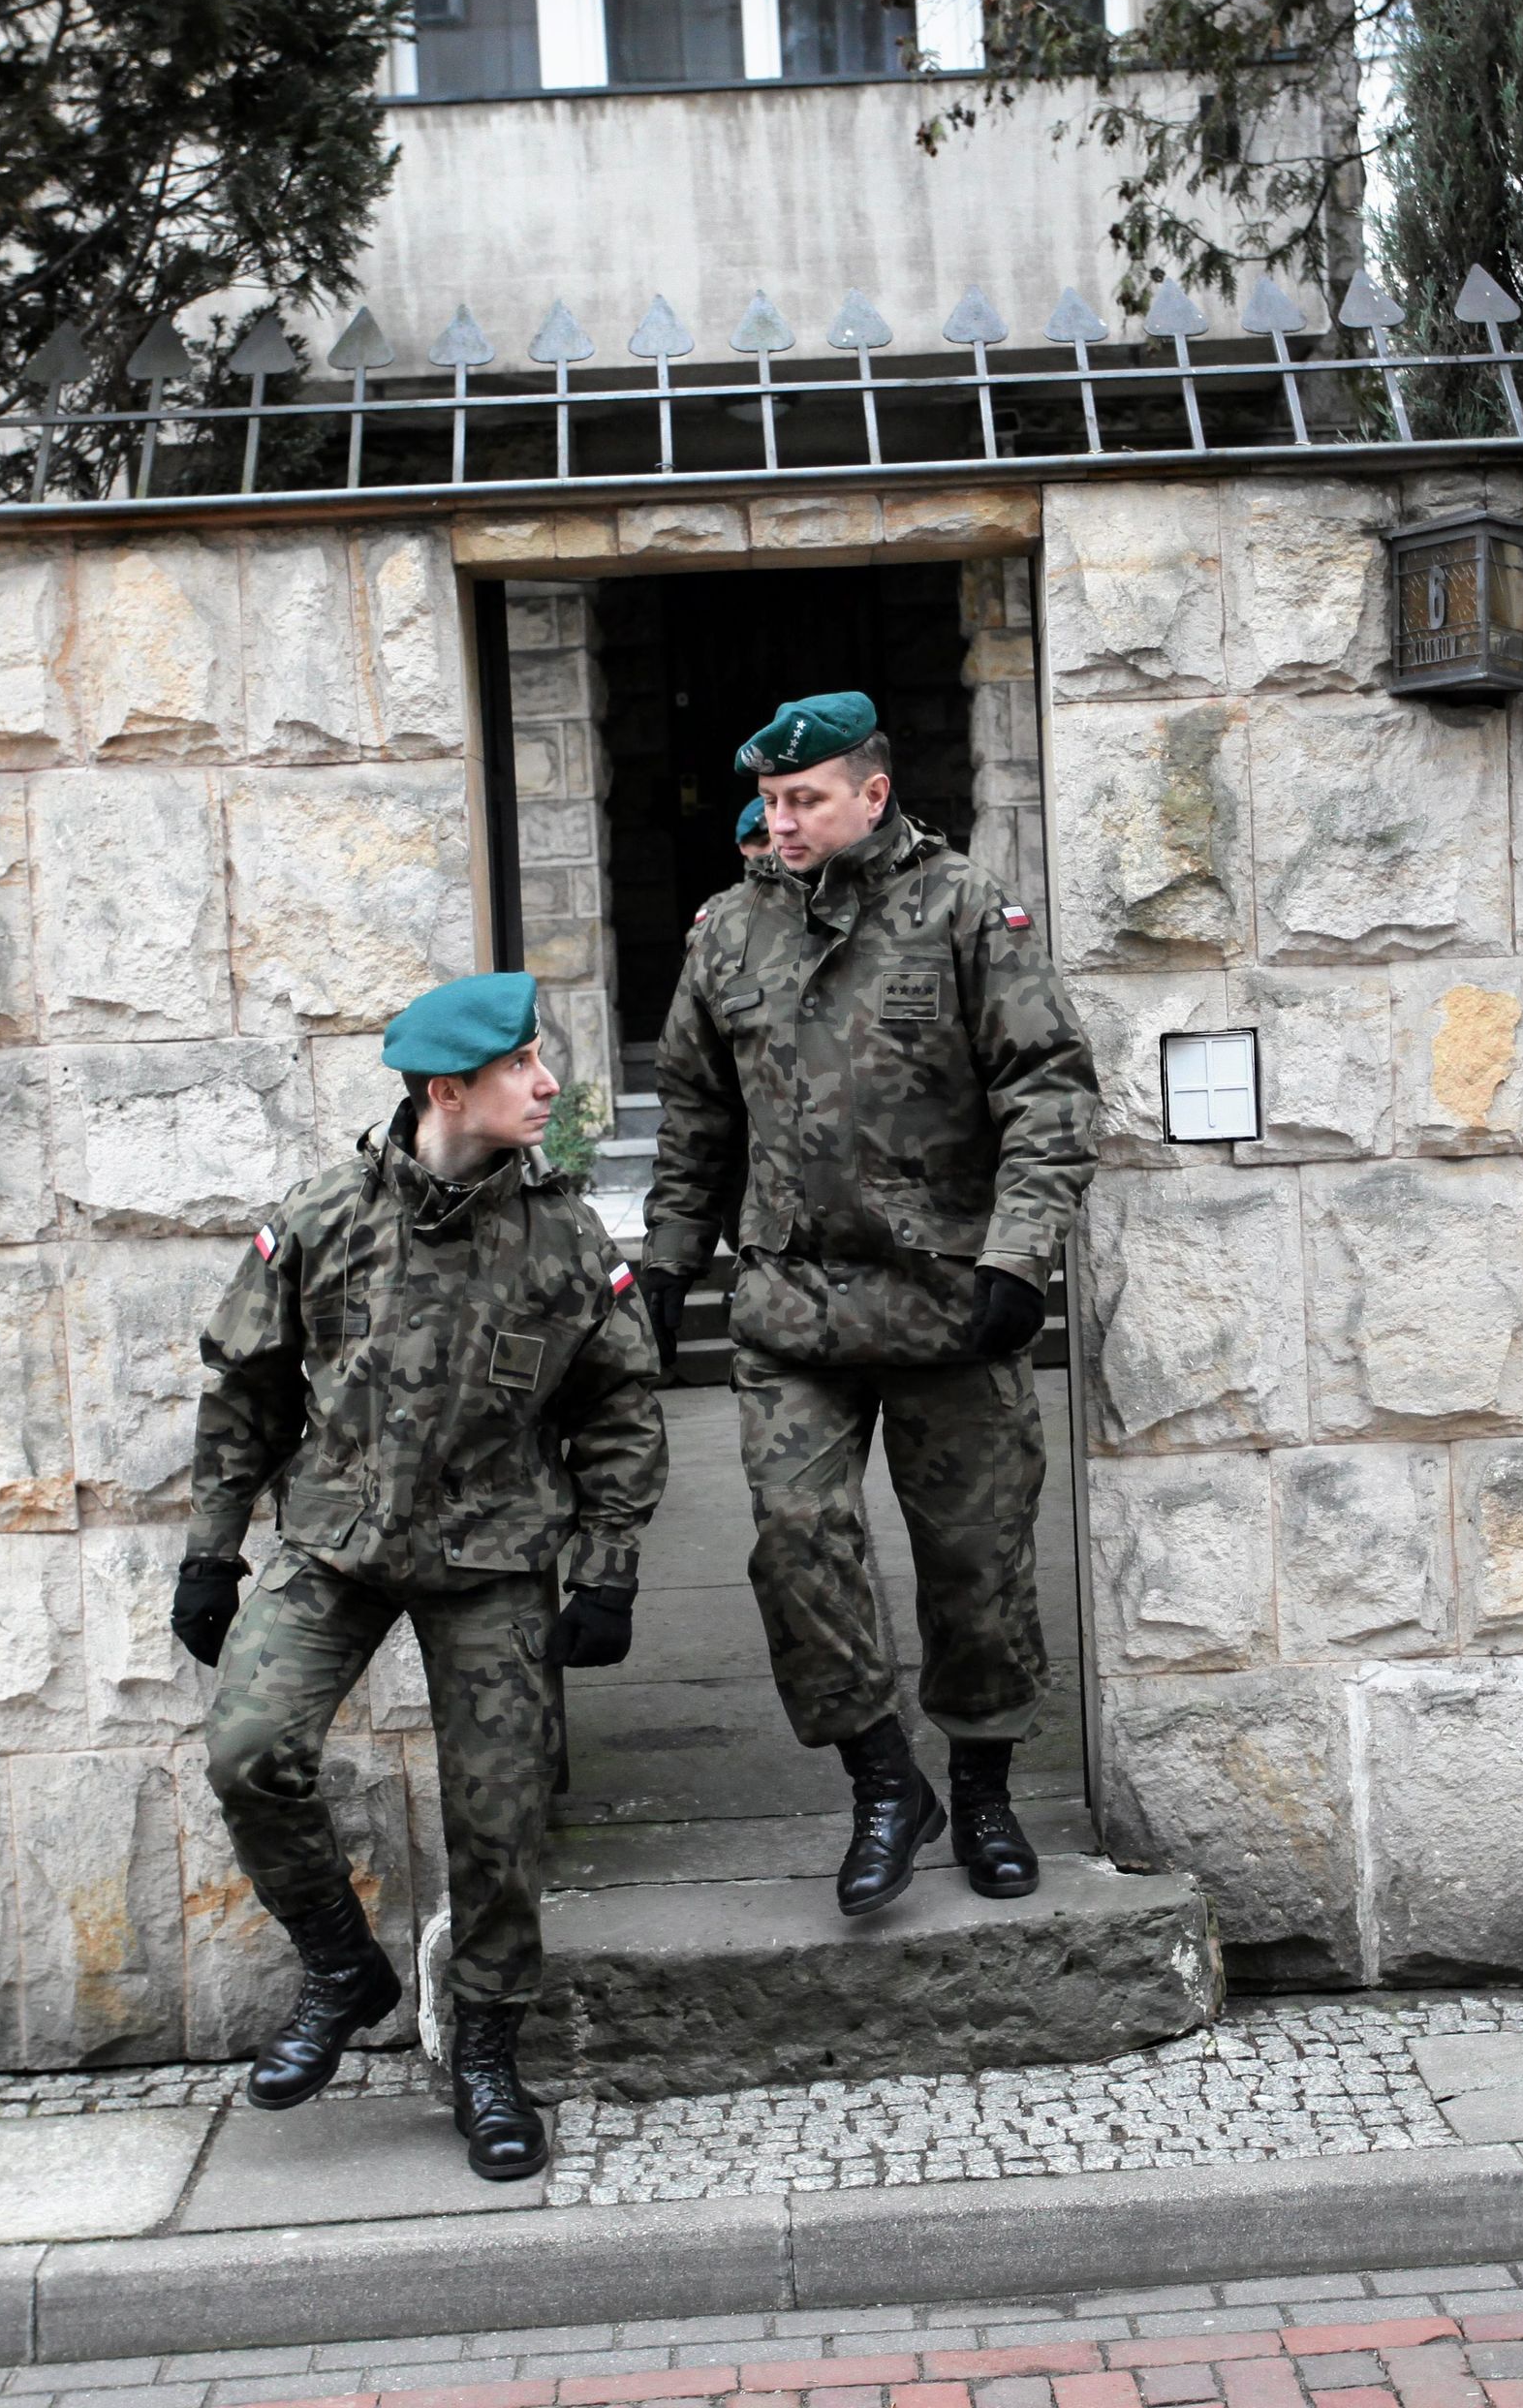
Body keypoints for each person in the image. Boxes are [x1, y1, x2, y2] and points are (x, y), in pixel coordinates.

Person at [172, 971, 665, 2181]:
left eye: (539, 1061)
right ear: (449, 1090)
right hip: (337, 1543)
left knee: (499, 1816)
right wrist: (211, 1550)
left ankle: (488, 2052)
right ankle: (342, 1966)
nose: (548, 1084)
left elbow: (621, 1409)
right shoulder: (324, 1215)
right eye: (521, 1067)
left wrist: (607, 1569)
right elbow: (245, 1391)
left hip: (494, 1552)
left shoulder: (563, 1235)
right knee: (248, 1749)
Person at [637, 691, 1098, 1917]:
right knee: (797, 1542)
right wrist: (671, 1258)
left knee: (977, 1562)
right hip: (794, 1310)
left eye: (806, 800)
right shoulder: (728, 933)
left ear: (874, 792)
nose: (782, 823)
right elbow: (694, 1115)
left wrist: (1021, 1255)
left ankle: (984, 1787)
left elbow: (1048, 1090)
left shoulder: (964, 910)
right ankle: (885, 1782)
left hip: (951, 1302)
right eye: (771, 803)